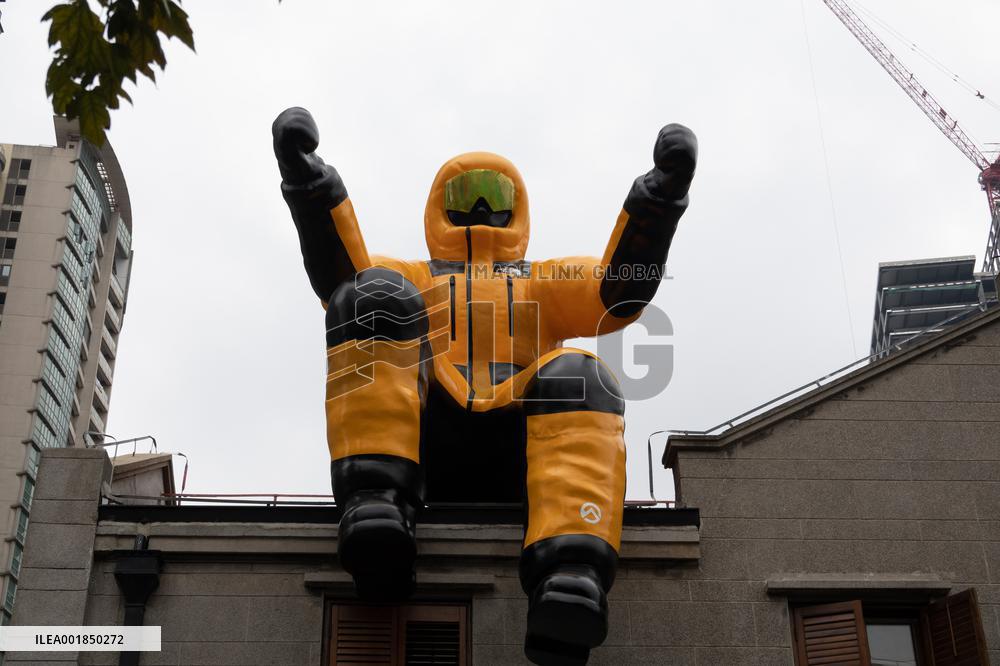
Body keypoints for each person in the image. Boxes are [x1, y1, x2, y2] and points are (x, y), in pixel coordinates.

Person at [273, 107, 696, 665]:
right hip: (426, 433)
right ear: (439, 203)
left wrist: (656, 204)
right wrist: (310, 186)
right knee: (370, 295)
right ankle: (375, 503)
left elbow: (617, 292)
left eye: (492, 192)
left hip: (520, 442)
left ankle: (570, 574)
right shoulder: (416, 276)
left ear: (515, 204)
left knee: (583, 374)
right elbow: (342, 278)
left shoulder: (542, 279)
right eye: (466, 191)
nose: (478, 206)